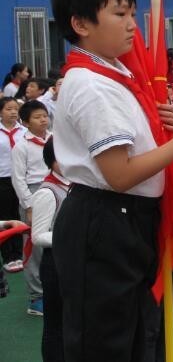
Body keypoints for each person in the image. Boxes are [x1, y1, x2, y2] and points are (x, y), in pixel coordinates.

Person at [48, 0, 173, 361]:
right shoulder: (91, 85)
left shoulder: (114, 76)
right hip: (106, 219)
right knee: (106, 343)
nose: (132, 26)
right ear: (81, 24)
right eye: (119, 14)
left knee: (134, 336)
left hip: (124, 218)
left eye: (132, 14)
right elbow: (121, 174)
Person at [11, 100, 52, 314]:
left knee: (56, 241)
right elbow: (18, 179)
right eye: (37, 117)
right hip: (34, 193)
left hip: (56, 190)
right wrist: (28, 205)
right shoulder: (22, 145)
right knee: (34, 247)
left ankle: (56, 290)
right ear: (26, 122)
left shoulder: (55, 139)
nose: (43, 119)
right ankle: (36, 297)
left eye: (44, 115)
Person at [31, 137, 69, 362]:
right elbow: (38, 236)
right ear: (53, 161)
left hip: (71, 261)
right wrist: (73, 237)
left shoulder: (73, 184)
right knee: (56, 325)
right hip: (55, 264)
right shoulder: (48, 191)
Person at [0, 96, 24, 273]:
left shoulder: (24, 131)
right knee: (6, 217)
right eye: (9, 109)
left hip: (22, 178)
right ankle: (9, 256)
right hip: (3, 179)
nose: (13, 112)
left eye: (15, 108)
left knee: (20, 215)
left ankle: (20, 253)